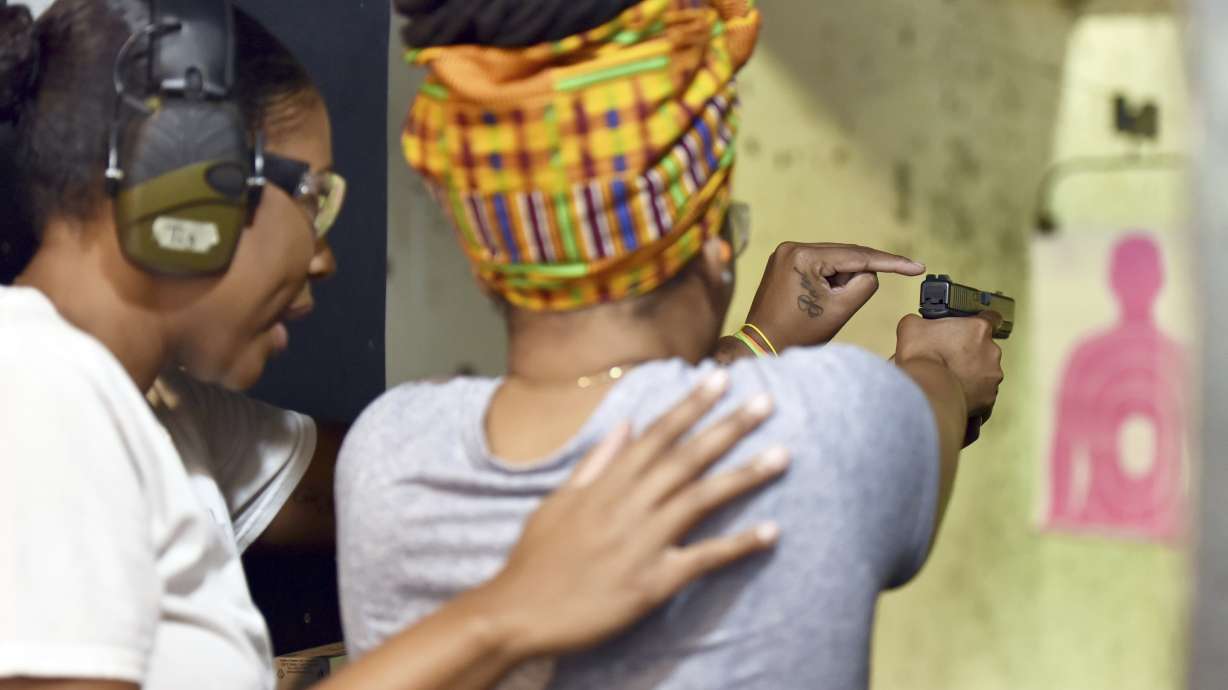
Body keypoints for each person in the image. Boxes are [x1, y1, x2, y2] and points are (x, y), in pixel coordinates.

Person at [0, 2, 792, 689]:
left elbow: (460, 470)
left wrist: (745, 350)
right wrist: (506, 614)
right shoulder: (36, 386)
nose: (322, 256)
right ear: (186, 186)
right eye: (313, 198)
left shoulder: (155, 413)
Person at [335, 1, 1006, 689]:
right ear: (711, 244)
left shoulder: (389, 456)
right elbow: (931, 399)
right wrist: (941, 364)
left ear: (491, 257)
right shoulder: (825, 425)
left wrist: (762, 340)